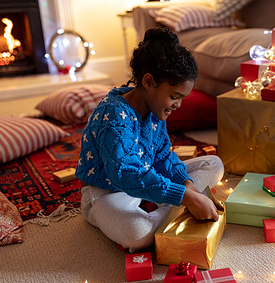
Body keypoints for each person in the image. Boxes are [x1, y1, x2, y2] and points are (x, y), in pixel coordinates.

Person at [76, 27, 224, 253]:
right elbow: (125, 174)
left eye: (182, 98)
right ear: (148, 81)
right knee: (137, 234)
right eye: (174, 96)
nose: (178, 105)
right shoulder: (114, 117)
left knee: (214, 164)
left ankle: (164, 203)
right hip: (109, 192)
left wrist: (186, 184)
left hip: (146, 176)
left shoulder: (155, 109)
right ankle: (167, 208)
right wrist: (186, 198)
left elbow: (163, 155)